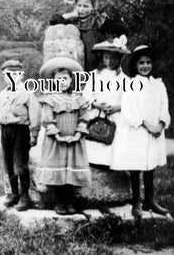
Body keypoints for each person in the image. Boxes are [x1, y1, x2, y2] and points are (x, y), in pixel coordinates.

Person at [110, 45, 170, 218]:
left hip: (155, 131)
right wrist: (146, 124)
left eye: (148, 62)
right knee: (136, 165)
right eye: (141, 63)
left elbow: (163, 106)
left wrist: (160, 123)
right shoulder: (131, 84)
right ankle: (136, 200)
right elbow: (130, 110)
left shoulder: (158, 84)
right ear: (135, 65)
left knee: (150, 166)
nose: (145, 66)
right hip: (138, 130)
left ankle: (149, 200)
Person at [38, 57, 91, 215]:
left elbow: (84, 118)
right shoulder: (49, 99)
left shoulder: (78, 99)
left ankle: (69, 201)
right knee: (57, 170)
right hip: (56, 141)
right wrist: (58, 136)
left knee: (70, 170)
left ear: (71, 80)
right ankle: (59, 201)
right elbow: (47, 120)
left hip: (74, 141)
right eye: (58, 79)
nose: (62, 82)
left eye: (65, 79)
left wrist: (77, 135)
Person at [0, 59, 41, 211]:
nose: (12, 77)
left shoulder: (27, 94)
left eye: (15, 74)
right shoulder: (2, 94)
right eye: (8, 74)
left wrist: (34, 134)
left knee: (20, 163)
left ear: (21, 75)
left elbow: (35, 114)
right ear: (3, 76)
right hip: (6, 132)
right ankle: (14, 194)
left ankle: (25, 196)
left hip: (21, 131)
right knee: (8, 163)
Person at [82, 35, 131, 167]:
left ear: (120, 58)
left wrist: (116, 107)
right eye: (106, 58)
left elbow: (129, 100)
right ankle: (92, 161)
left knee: (111, 140)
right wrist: (95, 103)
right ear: (102, 58)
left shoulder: (124, 79)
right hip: (96, 113)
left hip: (114, 115)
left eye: (113, 58)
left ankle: (109, 163)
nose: (109, 62)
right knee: (93, 137)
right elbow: (86, 94)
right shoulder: (94, 75)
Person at [49, 0, 112, 72]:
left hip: (96, 64)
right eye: (79, 6)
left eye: (85, 6)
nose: (82, 9)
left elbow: (118, 29)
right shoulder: (73, 22)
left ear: (93, 7)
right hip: (77, 61)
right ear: (75, 6)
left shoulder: (98, 20)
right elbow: (53, 21)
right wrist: (71, 15)